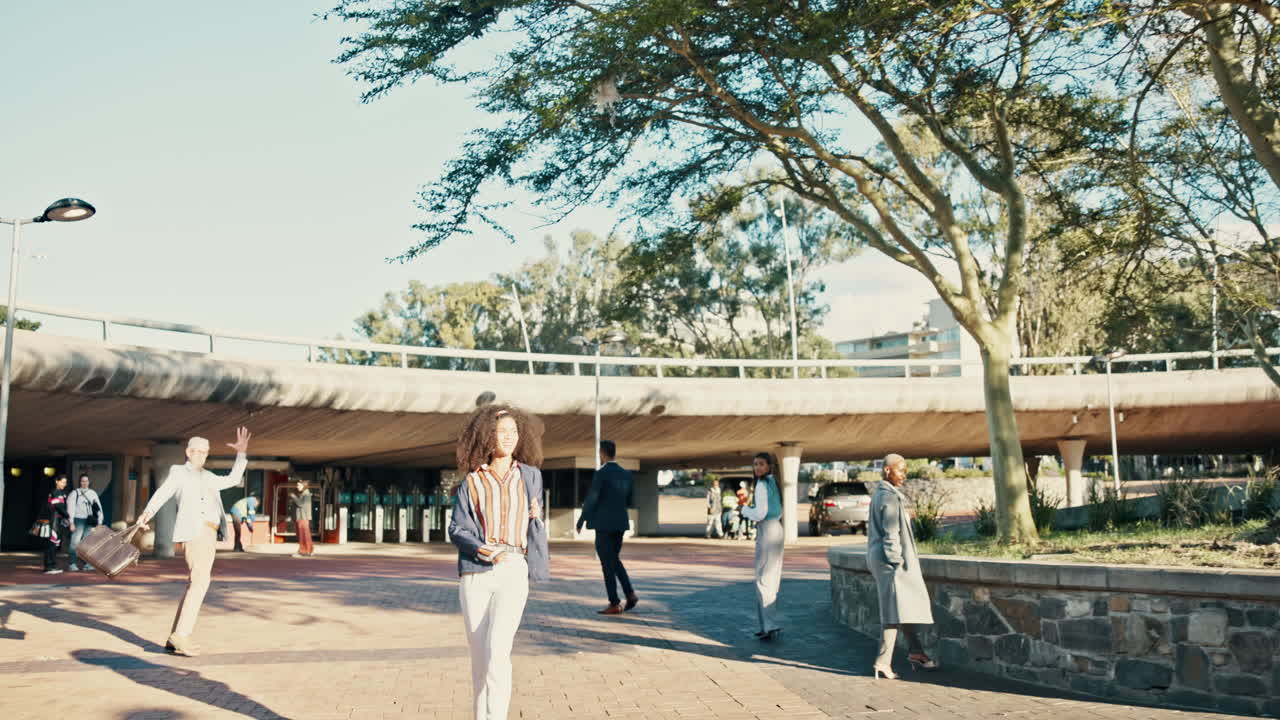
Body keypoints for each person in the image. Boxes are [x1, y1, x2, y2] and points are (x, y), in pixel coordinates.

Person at [449, 405, 549, 720]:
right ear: (487, 437)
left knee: (497, 651)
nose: (508, 437)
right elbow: (457, 529)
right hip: (476, 572)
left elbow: (534, 520)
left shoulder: (531, 476)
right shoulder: (472, 481)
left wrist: (536, 520)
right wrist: (489, 552)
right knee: (480, 660)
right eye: (501, 432)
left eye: (513, 432)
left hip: (514, 569)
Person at [138, 427, 251, 657]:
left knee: (196, 582)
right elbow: (163, 493)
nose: (200, 455)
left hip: (209, 533)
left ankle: (176, 636)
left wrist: (241, 454)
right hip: (195, 532)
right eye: (197, 451)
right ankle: (181, 635)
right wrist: (146, 514)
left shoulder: (208, 477)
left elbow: (233, 479)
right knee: (200, 582)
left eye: (205, 452)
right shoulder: (179, 472)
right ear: (188, 452)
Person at [867, 453, 938, 679]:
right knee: (892, 611)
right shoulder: (888, 497)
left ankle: (916, 652)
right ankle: (882, 663)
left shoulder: (881, 494)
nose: (904, 475)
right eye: (901, 470)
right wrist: (897, 562)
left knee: (902, 604)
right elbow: (891, 534)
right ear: (888, 470)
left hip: (882, 558)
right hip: (889, 562)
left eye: (905, 470)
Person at [577, 440, 638, 615]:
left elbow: (592, 498)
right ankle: (630, 593)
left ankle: (614, 603)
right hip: (620, 523)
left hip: (604, 525)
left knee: (607, 563)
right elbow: (629, 498)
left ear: (602, 453)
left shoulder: (601, 473)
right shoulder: (626, 474)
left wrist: (581, 520)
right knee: (614, 560)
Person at [740, 452, 783, 641]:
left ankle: (769, 626)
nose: (757, 467)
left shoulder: (761, 485)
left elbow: (760, 514)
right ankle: (768, 624)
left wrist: (744, 509)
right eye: (755, 464)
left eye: (761, 464)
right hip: (777, 528)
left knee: (763, 579)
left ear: (769, 466)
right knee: (772, 578)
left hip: (767, 529)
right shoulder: (773, 482)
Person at [67, 474, 104, 571]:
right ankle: (72, 563)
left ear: (89, 482)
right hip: (78, 519)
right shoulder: (74, 493)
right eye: (83, 481)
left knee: (87, 543)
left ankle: (87, 564)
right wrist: (71, 522)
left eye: (86, 481)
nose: (85, 483)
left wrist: (99, 521)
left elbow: (98, 507)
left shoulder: (92, 493)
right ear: (80, 482)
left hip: (89, 520)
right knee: (75, 542)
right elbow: (70, 508)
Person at [38, 476, 71, 574]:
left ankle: (52, 565)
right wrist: (67, 515)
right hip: (53, 521)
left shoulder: (60, 492)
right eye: (62, 482)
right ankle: (49, 566)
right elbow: (58, 506)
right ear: (57, 481)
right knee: (51, 543)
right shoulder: (56, 492)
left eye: (65, 482)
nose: (64, 484)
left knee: (53, 543)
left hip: (56, 520)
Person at [289, 478, 315, 558]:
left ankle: (303, 551)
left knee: (303, 535)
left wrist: (294, 497)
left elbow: (301, 504)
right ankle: (309, 550)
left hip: (302, 517)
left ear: (304, 486)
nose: (297, 487)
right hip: (303, 517)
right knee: (305, 535)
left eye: (299, 485)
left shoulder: (306, 494)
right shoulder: (305, 493)